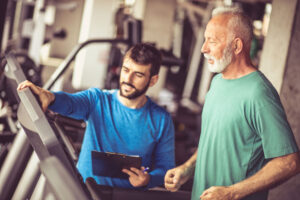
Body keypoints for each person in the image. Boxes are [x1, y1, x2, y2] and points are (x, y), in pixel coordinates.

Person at [164, 7, 300, 200]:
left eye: (212, 41)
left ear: (236, 47)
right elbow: (214, 143)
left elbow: (289, 162)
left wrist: (231, 193)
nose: (204, 48)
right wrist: (187, 169)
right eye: (205, 39)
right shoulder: (217, 82)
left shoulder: (259, 93)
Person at [18, 43, 175, 189]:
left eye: (138, 75)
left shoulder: (161, 120)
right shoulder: (98, 99)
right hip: (83, 192)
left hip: (125, 197)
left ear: (153, 80)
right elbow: (70, 103)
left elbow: (166, 170)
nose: (128, 79)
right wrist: (50, 97)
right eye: (126, 70)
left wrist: (148, 179)